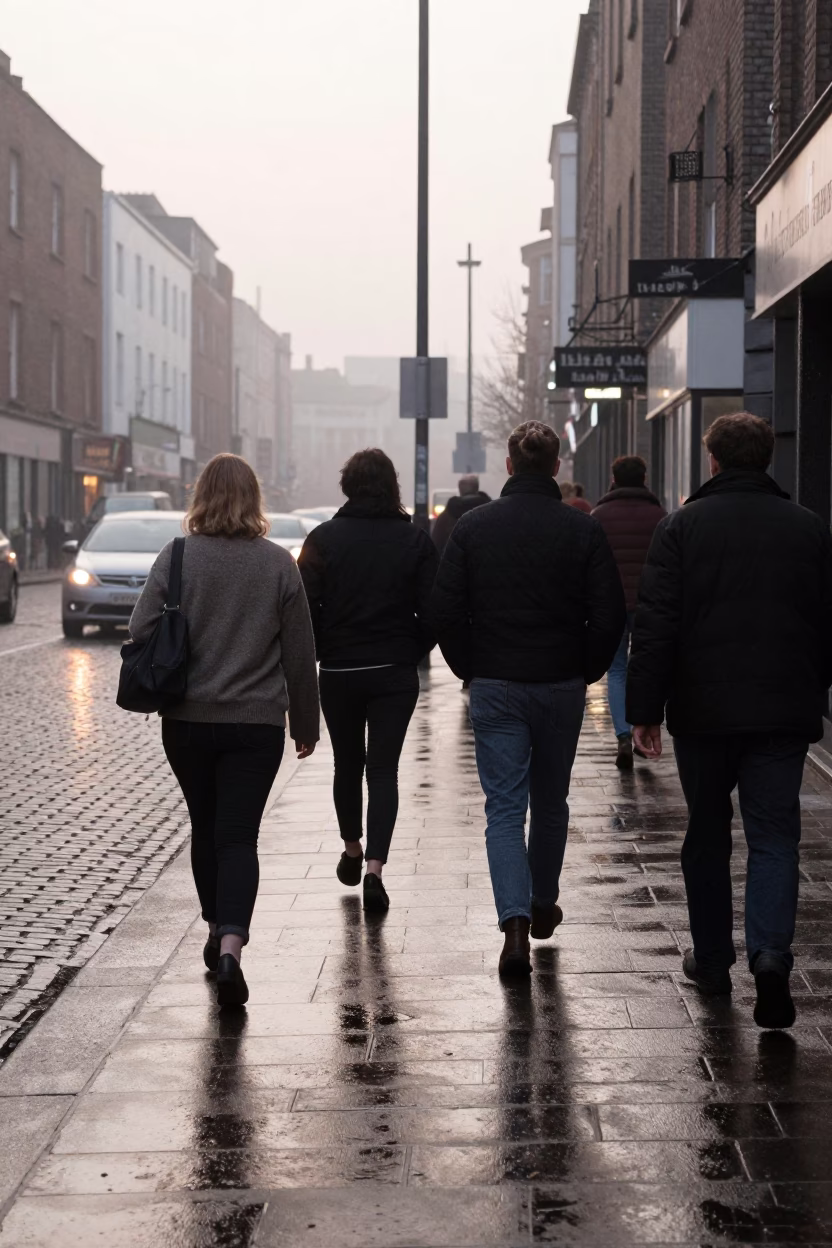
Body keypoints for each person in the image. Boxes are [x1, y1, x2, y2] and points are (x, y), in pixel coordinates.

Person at [627, 413, 832, 1030]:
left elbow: (656, 624)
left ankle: (713, 961)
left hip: (704, 712)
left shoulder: (681, 527)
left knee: (708, 834)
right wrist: (809, 687)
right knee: (774, 837)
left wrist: (645, 711)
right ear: (767, 460)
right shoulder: (808, 529)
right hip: (781, 712)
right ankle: (770, 956)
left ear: (712, 460)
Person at [430, 421, 625, 976]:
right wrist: (586, 667)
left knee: (504, 807)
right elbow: (608, 610)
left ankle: (513, 923)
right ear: (557, 467)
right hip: (561, 684)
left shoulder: (474, 528)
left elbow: (445, 607)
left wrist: (471, 665)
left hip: (497, 684)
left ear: (510, 466)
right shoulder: (580, 529)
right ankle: (542, 901)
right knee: (551, 801)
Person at [129, 454, 320, 1008]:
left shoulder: (178, 556)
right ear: (254, 498)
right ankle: (232, 944)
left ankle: (216, 926)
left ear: (201, 495)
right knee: (239, 836)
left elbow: (141, 628)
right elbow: (300, 653)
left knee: (205, 827)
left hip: (187, 722)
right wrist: (304, 725)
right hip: (256, 725)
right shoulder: (280, 563)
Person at [298, 448, 438, 913]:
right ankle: (376, 867)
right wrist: (410, 648)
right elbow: (433, 611)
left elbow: (304, 611)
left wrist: (326, 649)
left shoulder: (322, 539)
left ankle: (352, 848)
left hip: (339, 671)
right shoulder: (414, 540)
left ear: (347, 485)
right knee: (383, 771)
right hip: (394, 671)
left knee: (347, 763)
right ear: (391, 486)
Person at [592, 456, 666, 769]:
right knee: (648, 666)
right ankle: (646, 728)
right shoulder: (659, 516)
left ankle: (623, 735)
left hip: (612, 605)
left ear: (614, 478)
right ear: (644, 477)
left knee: (618, 669)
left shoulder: (600, 516)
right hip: (650, 604)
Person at [431, 474, 491, 554]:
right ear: (477, 487)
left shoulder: (446, 516)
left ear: (460, 489)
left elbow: (437, 544)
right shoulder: (490, 512)